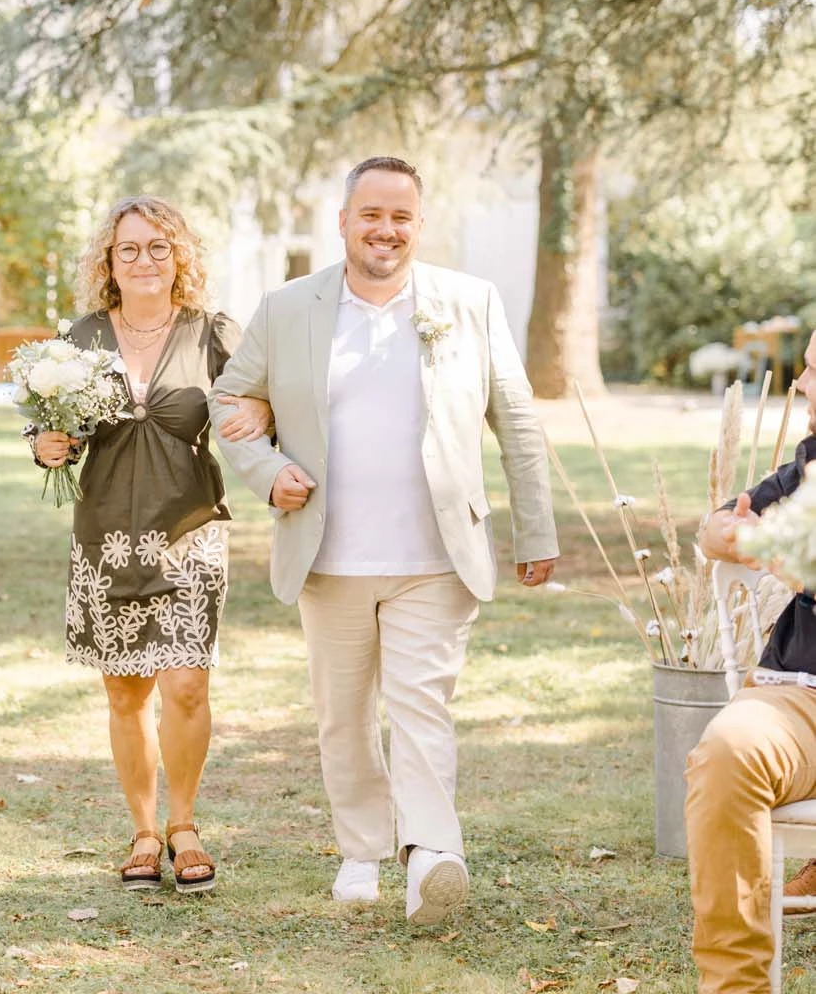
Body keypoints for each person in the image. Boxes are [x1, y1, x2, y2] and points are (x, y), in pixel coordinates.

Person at [209, 154, 559, 923]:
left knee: (421, 704)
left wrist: (535, 528)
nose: (385, 229)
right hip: (327, 554)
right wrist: (266, 472)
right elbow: (231, 396)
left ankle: (432, 855)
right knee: (343, 714)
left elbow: (518, 421)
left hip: (434, 557)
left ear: (418, 224)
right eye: (371, 214)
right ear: (343, 222)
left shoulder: (467, 302)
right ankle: (361, 849)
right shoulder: (288, 306)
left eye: (401, 216)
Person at [31, 196, 268, 893]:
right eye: (128, 248)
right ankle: (140, 830)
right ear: (109, 260)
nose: (143, 260)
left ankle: (184, 824)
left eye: (158, 247)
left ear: (180, 257)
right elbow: (54, 436)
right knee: (125, 691)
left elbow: (260, 405)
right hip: (104, 529)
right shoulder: (78, 339)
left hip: (188, 528)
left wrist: (265, 422)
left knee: (186, 683)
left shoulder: (212, 333)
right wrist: (46, 449)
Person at [689, 323, 816, 994]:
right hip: (797, 699)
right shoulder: (805, 470)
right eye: (805, 370)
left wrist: (777, 550)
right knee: (729, 750)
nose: (801, 386)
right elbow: (714, 527)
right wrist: (753, 537)